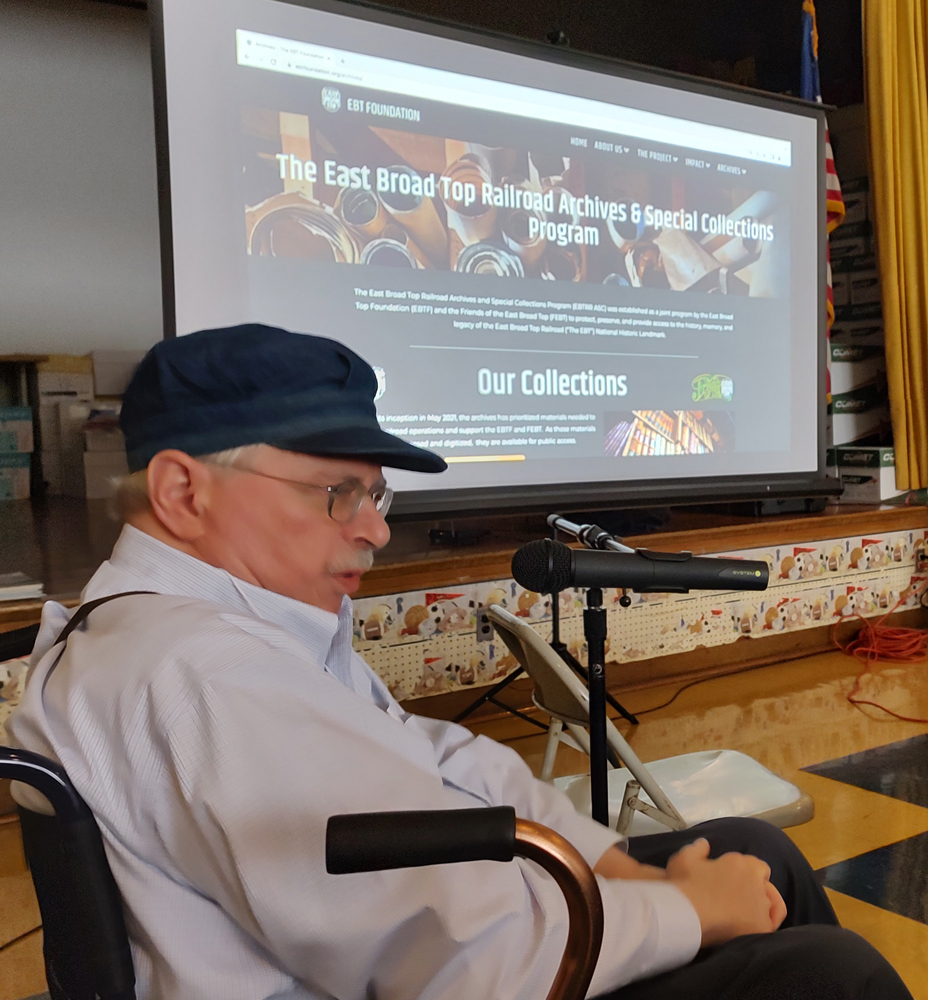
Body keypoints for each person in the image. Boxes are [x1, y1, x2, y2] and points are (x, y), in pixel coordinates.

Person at [11, 325, 910, 1000]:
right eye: (340, 494)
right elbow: (458, 957)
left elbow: (443, 760)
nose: (375, 526)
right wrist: (685, 912)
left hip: (423, 935)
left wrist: (613, 866)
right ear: (182, 491)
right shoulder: (199, 673)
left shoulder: (224, 630)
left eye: (376, 493)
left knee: (750, 848)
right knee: (824, 971)